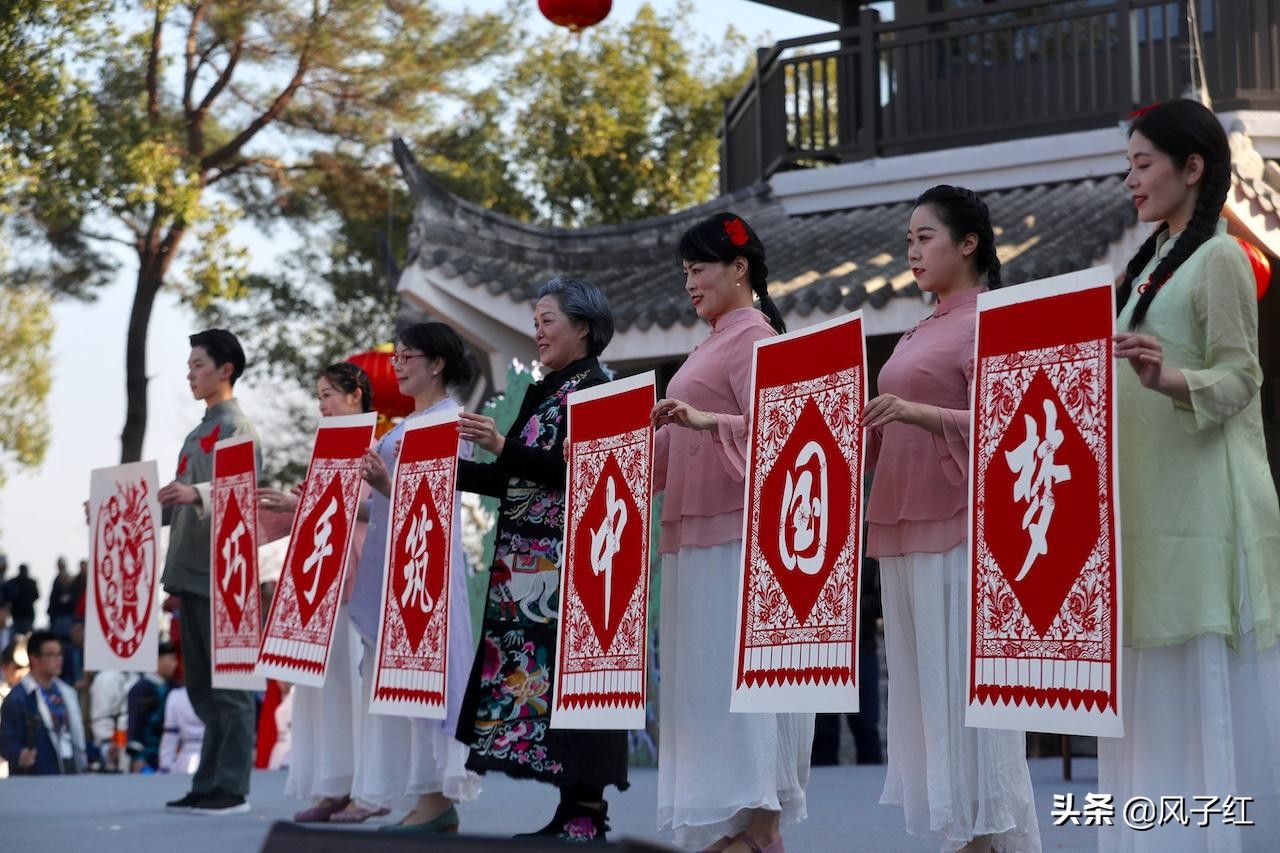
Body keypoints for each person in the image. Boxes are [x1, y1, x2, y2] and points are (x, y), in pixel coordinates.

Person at [1101, 98, 1280, 852]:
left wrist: (1169, 378)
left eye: (1144, 165)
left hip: (1206, 511)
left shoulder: (1221, 258)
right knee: (1154, 692)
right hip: (1147, 510)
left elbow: (1241, 379)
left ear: (1193, 168)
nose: (1132, 182)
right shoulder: (1141, 269)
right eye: (1130, 166)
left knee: (1200, 684)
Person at [863, 186, 1040, 852]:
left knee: (970, 704)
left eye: (925, 236)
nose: (912, 250)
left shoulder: (993, 318)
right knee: (932, 703)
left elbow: (1016, 425)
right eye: (908, 238)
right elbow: (878, 438)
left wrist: (920, 414)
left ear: (969, 243)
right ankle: (967, 838)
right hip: (904, 533)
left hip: (962, 531)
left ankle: (984, 839)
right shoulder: (922, 326)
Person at [650, 212, 813, 853]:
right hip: (696, 533)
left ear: (738, 268)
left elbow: (784, 435)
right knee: (710, 683)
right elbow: (670, 445)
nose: (689, 283)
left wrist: (702, 419)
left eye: (699, 269)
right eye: (685, 272)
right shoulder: (715, 340)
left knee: (742, 681)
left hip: (736, 537)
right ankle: (739, 825)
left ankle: (761, 827)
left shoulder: (753, 338)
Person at [455, 279, 629, 841]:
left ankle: (588, 812)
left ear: (584, 326)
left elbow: (581, 472)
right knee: (546, 689)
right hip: (525, 565)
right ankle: (570, 806)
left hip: (578, 569)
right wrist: (437, 470)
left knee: (579, 685)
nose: (538, 330)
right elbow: (511, 480)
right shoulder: (545, 389)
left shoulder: (601, 388)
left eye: (548, 319)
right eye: (536, 319)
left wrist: (502, 446)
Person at [348, 322, 481, 833]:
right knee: (401, 682)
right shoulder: (407, 423)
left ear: (438, 363)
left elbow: (437, 501)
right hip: (394, 565)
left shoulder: (451, 422)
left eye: (407, 356)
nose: (398, 364)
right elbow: (381, 498)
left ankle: (435, 800)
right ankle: (424, 798)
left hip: (426, 569)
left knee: (428, 679)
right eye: (397, 356)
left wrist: (386, 484)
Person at [262, 362, 375, 823]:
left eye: (328, 394)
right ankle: (333, 785)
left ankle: (361, 789)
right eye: (319, 396)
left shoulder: (375, 446)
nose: (322, 404)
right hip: (319, 582)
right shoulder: (324, 451)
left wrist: (305, 502)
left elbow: (373, 507)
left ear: (356, 395)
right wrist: (296, 504)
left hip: (356, 577)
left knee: (351, 686)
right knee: (325, 688)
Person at [158, 329, 261, 815]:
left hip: (225, 575)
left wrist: (195, 493)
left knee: (231, 685)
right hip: (191, 572)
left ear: (226, 370)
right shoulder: (198, 432)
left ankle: (232, 785)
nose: (190, 373)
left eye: (199, 363)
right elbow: (177, 499)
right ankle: (208, 781)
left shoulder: (239, 428)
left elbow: (243, 492)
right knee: (200, 685)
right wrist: (120, 508)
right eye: (190, 364)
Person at [0, 631, 87, 775]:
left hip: (71, 775)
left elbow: (75, 737)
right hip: (36, 783)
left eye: (60, 654)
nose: (58, 659)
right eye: (51, 655)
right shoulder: (17, 698)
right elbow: (6, 741)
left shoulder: (67, 692)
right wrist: (19, 755)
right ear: (34, 658)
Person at [126, 642, 179, 772]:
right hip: (148, 756)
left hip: (172, 753)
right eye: (171, 659)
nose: (175, 664)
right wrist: (138, 758)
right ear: (158, 660)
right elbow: (136, 725)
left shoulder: (175, 688)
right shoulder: (141, 688)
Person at [89, 668, 139, 772]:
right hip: (116, 751)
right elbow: (101, 719)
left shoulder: (136, 676)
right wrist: (106, 747)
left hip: (136, 749)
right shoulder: (105, 678)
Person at [160, 685, 204, 774]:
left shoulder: (176, 696)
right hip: (194, 758)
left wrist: (165, 766)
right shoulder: (176, 696)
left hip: (186, 759)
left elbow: (169, 735)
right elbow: (170, 734)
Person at [3, 563, 39, 636]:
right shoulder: (31, 582)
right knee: (27, 638)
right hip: (27, 613)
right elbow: (36, 596)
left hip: (17, 613)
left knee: (16, 638)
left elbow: (7, 596)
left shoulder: (13, 581)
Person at [48, 557, 77, 639]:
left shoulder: (73, 587)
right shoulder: (56, 581)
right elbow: (53, 600)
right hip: (58, 616)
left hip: (67, 616)